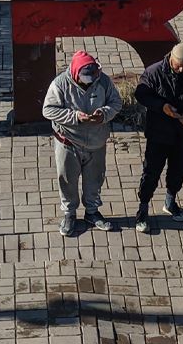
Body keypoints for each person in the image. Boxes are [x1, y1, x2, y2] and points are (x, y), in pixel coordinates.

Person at [41, 50, 122, 237]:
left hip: (97, 143)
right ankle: (69, 214)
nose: (89, 82)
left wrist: (103, 114)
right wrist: (75, 117)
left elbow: (116, 103)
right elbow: (48, 110)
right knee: (67, 180)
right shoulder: (60, 84)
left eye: (92, 78)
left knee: (95, 179)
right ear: (75, 73)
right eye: (84, 79)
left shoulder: (103, 81)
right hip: (68, 142)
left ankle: (92, 212)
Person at [132, 43, 183, 234]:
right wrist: (161, 106)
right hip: (158, 133)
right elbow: (141, 94)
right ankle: (143, 209)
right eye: (178, 65)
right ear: (171, 58)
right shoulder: (154, 72)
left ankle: (170, 201)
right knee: (151, 172)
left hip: (182, 134)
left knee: (178, 170)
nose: (181, 69)